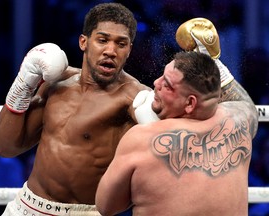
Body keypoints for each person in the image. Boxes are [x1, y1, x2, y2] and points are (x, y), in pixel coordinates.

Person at [0, 3, 158, 216]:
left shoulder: (134, 98)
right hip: (27, 207)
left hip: (85, 211)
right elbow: (6, 148)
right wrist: (23, 83)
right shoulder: (54, 83)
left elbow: (172, 149)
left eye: (121, 44)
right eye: (102, 40)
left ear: (129, 50)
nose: (110, 51)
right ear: (84, 42)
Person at [95, 18, 259, 216]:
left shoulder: (141, 138)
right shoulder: (237, 123)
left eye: (167, 85)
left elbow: (106, 206)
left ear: (190, 103)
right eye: (162, 76)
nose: (156, 83)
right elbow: (244, 104)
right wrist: (212, 61)